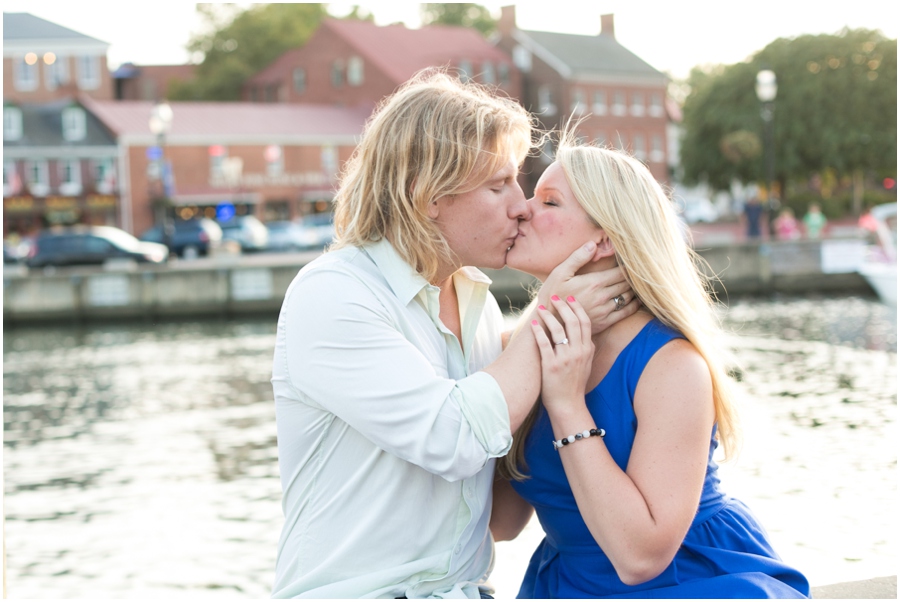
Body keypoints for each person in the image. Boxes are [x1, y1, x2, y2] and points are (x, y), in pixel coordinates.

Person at [270, 71, 637, 598]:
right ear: (428, 196)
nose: (520, 204)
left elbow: (500, 521)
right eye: (498, 185)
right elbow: (455, 439)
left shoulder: (478, 304)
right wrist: (549, 316)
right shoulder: (333, 295)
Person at [490, 138, 810, 598]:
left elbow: (640, 559)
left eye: (549, 202)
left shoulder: (671, 365)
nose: (521, 209)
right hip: (570, 584)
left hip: (689, 579)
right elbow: (502, 523)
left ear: (603, 239)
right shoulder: (521, 349)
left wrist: (565, 402)